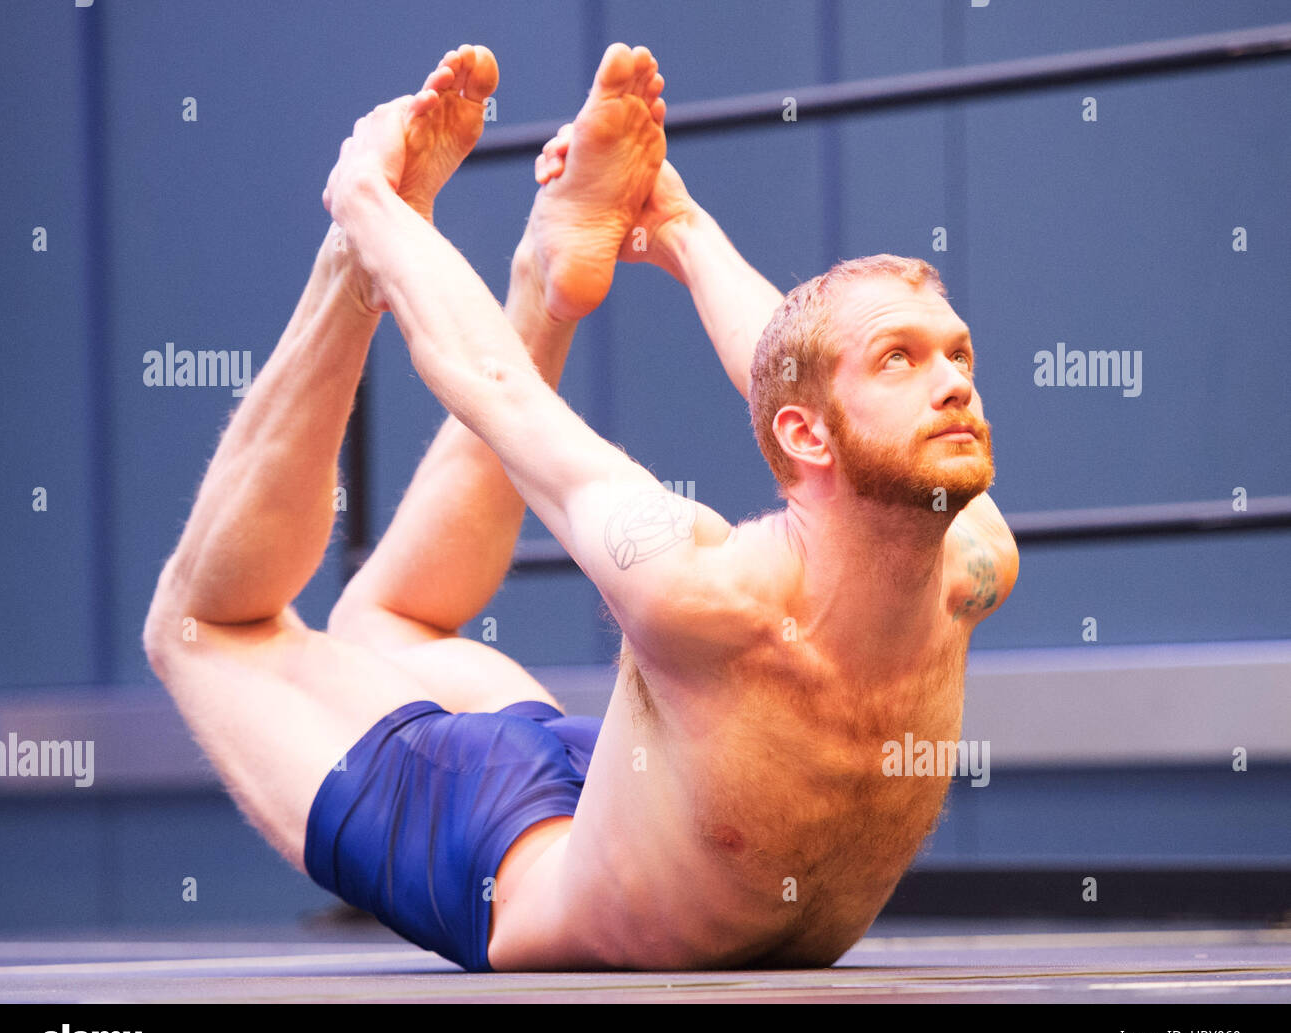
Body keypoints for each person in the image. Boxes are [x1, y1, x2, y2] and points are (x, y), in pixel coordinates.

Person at [144, 41, 1018, 973]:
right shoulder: (700, 587)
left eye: (957, 353)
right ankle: (355, 271)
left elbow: (789, 369)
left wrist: (679, 226)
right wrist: (368, 202)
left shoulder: (972, 559)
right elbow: (497, 390)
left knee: (383, 619)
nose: (954, 383)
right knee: (204, 628)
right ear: (807, 437)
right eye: (903, 359)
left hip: (618, 786)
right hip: (502, 852)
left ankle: (548, 284)